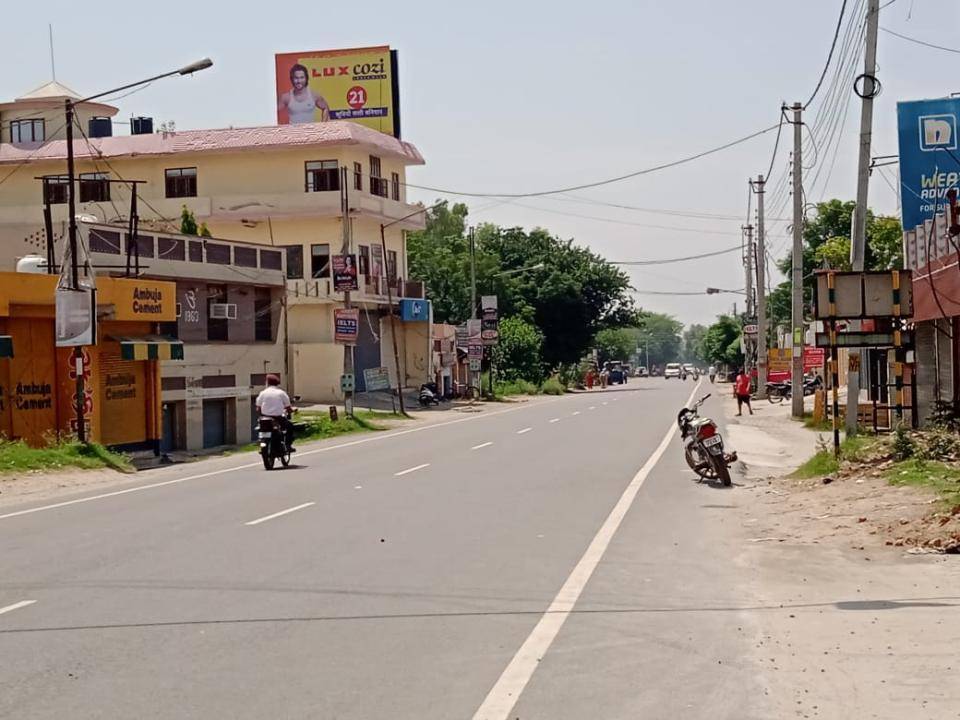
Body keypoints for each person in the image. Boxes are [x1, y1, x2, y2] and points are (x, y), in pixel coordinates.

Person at [256, 374, 295, 450]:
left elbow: (258, 408)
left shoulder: (262, 393)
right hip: (278, 418)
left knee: (260, 428)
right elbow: (288, 407)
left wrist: (262, 414)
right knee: (290, 426)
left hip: (265, 418)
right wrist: (291, 410)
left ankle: (261, 441)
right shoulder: (281, 393)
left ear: (267, 383)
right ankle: (288, 445)